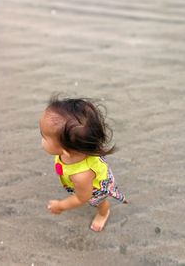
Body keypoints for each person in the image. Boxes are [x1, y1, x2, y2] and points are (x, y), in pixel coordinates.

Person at [39, 96, 127, 232]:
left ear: (65, 151)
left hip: (95, 188)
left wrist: (61, 205)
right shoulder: (70, 148)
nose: (41, 139)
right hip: (81, 179)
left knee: (99, 202)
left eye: (44, 136)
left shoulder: (81, 176)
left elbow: (82, 198)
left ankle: (103, 213)